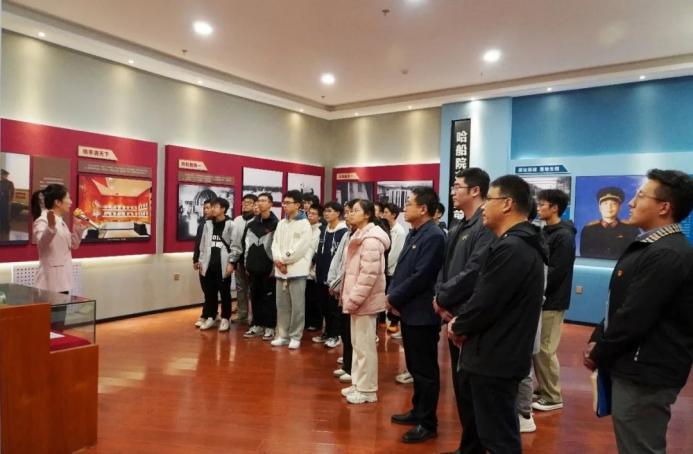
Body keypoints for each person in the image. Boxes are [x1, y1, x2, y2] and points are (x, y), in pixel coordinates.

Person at [584, 170, 693, 454]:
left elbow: (635, 317)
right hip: (634, 365)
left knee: (639, 447)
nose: (631, 203)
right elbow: (621, 304)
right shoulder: (652, 247)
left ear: (664, 207)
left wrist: (599, 352)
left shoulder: (666, 253)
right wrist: (598, 336)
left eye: (640, 196)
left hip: (646, 372)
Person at [449, 175, 547, 454]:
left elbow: (486, 301)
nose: (483, 207)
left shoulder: (513, 248)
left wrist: (459, 324)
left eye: (489, 200)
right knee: (487, 430)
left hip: (496, 357)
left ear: (507, 204)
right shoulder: (514, 243)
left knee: (498, 437)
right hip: (496, 353)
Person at [435, 167, 496, 453]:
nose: (453, 191)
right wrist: (440, 298)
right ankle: (468, 446)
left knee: (473, 389)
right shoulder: (459, 225)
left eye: (457, 186)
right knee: (461, 387)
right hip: (450, 314)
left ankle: (475, 447)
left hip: (469, 317)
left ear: (475, 190)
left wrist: (444, 297)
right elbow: (445, 267)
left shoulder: (485, 226)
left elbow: (474, 272)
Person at [387, 187, 445, 443]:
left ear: (423, 209)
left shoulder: (433, 236)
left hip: (422, 314)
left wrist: (393, 297)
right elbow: (402, 271)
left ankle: (428, 423)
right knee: (414, 366)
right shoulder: (415, 232)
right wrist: (393, 295)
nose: (405, 207)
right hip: (410, 311)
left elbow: (421, 276)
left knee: (425, 371)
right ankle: (418, 410)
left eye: (409, 203)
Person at [339, 199, 390, 404]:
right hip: (357, 301)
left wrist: (354, 299)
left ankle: (368, 390)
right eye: (350, 210)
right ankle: (358, 383)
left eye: (355, 210)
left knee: (365, 348)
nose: (351, 213)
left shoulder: (371, 240)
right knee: (357, 345)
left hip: (364, 302)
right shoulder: (359, 234)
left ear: (367, 215)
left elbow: (368, 276)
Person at [532, 189, 576, 414]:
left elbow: (556, 271)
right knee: (537, 348)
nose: (538, 208)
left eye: (542, 204)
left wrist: (537, 289)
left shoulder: (563, 236)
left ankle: (552, 396)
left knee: (545, 349)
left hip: (552, 300)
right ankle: (543, 388)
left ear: (555, 208)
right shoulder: (545, 232)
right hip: (541, 299)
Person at [228, 193, 279, 341]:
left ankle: (270, 326)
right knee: (255, 297)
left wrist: (274, 266)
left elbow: (278, 247)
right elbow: (245, 246)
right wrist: (246, 265)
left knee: (269, 299)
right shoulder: (251, 225)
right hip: (252, 267)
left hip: (269, 268)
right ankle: (257, 324)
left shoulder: (276, 224)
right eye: (259, 200)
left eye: (264, 200)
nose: (261, 203)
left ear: (270, 204)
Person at [271, 190, 314, 349]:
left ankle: (295, 336)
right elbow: (275, 243)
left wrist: (283, 260)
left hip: (296, 270)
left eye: (288, 203)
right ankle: (282, 334)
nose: (285, 206)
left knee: (297, 306)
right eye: (284, 203)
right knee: (282, 305)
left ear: (297, 205)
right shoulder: (281, 223)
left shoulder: (304, 224)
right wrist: (277, 259)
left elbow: (300, 248)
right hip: (280, 270)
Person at [31, 184, 87, 294]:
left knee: (63, 305)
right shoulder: (42, 220)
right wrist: (50, 228)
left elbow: (73, 245)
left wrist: (77, 226)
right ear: (57, 202)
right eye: (68, 198)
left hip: (63, 280)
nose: (71, 202)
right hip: (50, 283)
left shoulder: (60, 221)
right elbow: (42, 242)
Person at [328, 200, 357, 383]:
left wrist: (337, 283)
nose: (348, 216)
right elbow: (338, 260)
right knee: (345, 331)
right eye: (346, 212)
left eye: (352, 212)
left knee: (353, 334)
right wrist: (333, 281)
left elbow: (351, 268)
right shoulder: (348, 234)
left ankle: (354, 369)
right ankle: (347, 365)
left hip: (353, 292)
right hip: (342, 289)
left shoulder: (365, 236)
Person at [313, 201, 348, 349]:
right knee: (324, 306)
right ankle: (327, 332)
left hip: (334, 276)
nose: (326, 214)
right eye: (325, 211)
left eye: (330, 211)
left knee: (334, 308)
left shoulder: (344, 231)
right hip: (321, 273)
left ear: (338, 213)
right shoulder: (323, 229)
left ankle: (335, 335)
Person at [197, 197, 234, 331]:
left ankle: (225, 318)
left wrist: (232, 263)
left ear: (223, 209)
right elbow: (202, 245)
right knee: (210, 293)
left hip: (223, 265)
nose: (212, 209)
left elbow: (235, 246)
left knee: (225, 293)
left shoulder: (231, 225)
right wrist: (201, 261)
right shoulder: (208, 225)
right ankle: (211, 316)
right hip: (208, 265)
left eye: (215, 206)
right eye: (211, 206)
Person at [580, 186, 640, 259]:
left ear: (619, 207)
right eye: (605, 203)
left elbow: (635, 255)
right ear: (599, 207)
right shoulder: (589, 229)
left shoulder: (631, 229)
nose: (609, 207)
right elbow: (584, 255)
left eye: (614, 203)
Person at [231, 194, 258, 325]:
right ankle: (242, 315)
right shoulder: (237, 220)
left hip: (253, 260)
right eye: (244, 202)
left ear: (255, 205)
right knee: (241, 288)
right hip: (239, 259)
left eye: (249, 202)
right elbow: (233, 240)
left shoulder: (257, 220)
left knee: (254, 290)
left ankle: (256, 318)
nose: (245, 204)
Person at [382, 203, 407, 339]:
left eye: (386, 212)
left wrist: (384, 265)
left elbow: (394, 253)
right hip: (385, 269)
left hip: (392, 270)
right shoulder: (386, 229)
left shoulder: (399, 231)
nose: (383, 215)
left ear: (393, 215)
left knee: (392, 297)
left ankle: (395, 323)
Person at [193, 199, 213, 328]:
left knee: (211, 291)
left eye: (208, 208)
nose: (205, 210)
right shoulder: (202, 225)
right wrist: (195, 259)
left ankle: (207, 315)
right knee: (206, 290)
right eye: (204, 208)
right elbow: (197, 243)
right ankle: (208, 313)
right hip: (202, 261)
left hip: (215, 262)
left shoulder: (222, 225)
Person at [304, 204, 323, 332]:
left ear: (319, 216)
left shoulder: (321, 230)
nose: (310, 215)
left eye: (314, 213)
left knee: (314, 298)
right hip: (302, 268)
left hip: (313, 269)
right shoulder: (305, 228)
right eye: (309, 213)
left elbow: (318, 251)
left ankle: (316, 322)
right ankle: (306, 321)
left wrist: (311, 262)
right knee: (305, 298)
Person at [0, 169, 15, 240]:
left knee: (6, 215)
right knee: (1, 214)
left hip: (6, 201)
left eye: (3, 175)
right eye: (1, 175)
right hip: (0, 201)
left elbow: (12, 192)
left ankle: (7, 228)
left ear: (6, 175)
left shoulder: (10, 183)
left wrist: (10, 201)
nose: (1, 176)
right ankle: (1, 228)